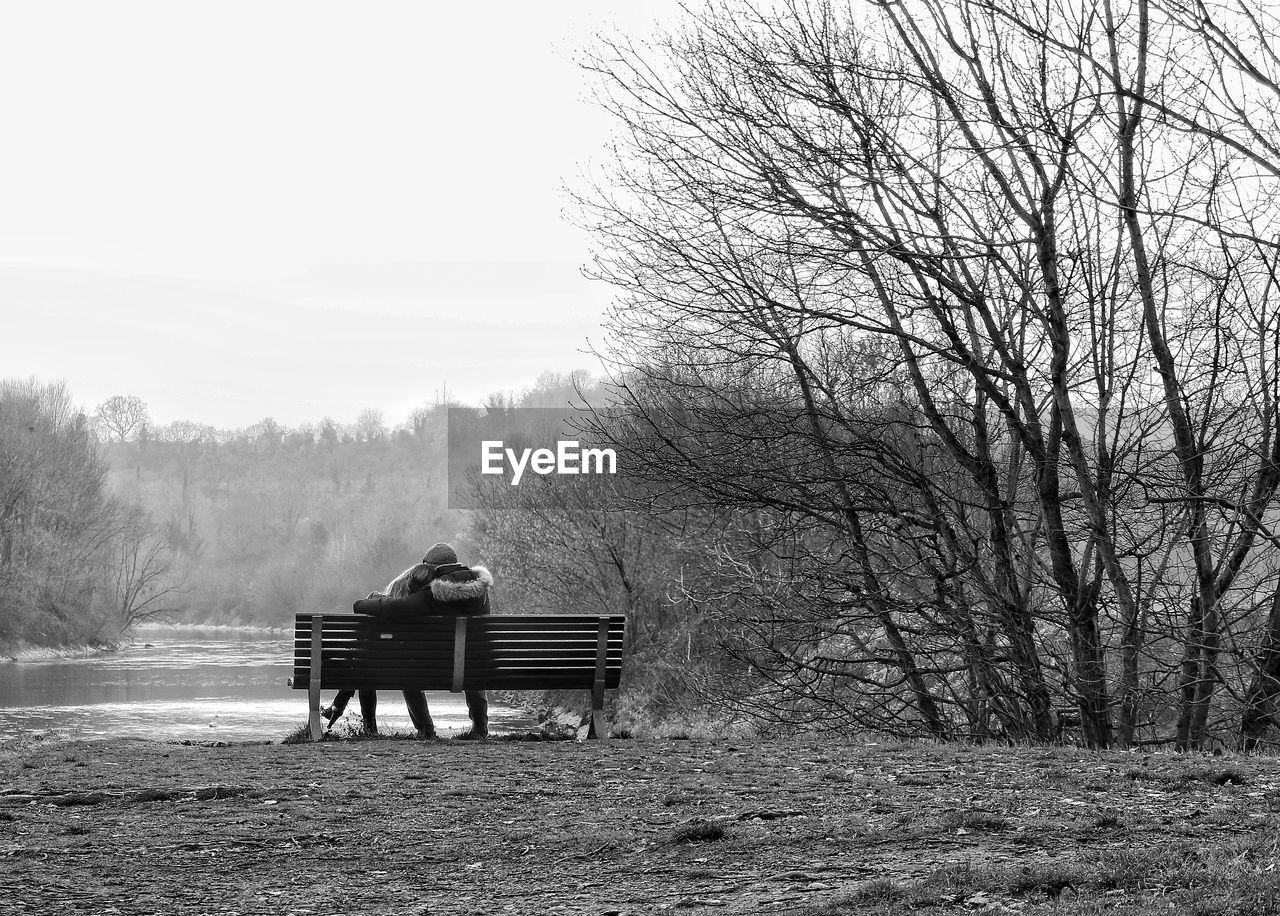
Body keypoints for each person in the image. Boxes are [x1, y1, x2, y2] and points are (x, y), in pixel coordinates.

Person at [323, 542, 493, 739]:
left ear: (432, 567)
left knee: (409, 673)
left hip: (432, 668)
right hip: (477, 666)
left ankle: (425, 730)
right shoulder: (481, 590)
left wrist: (361, 604)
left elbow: (397, 607)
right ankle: (480, 729)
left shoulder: (437, 592)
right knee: (470, 665)